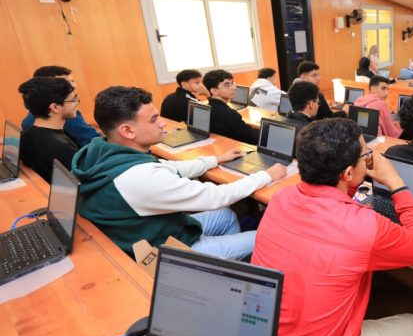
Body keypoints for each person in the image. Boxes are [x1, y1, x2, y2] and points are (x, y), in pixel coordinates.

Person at [252, 118, 413, 336]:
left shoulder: (281, 199)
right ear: (348, 173)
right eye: (364, 154)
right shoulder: (364, 226)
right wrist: (395, 181)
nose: (368, 157)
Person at [71, 86, 286, 259]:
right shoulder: (140, 178)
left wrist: (216, 159)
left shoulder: (102, 149)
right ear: (127, 130)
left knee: (227, 215)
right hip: (165, 251)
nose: (162, 123)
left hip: (154, 232)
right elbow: (216, 196)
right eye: (154, 119)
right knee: (265, 237)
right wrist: (267, 175)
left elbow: (169, 168)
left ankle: (227, 270)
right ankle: (216, 268)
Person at [18, 76, 80, 182]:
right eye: (73, 100)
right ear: (55, 107)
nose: (76, 103)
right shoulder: (62, 148)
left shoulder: (25, 135)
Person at [21, 65, 100, 147]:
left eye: (72, 81)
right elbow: (92, 140)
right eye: (65, 83)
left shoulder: (31, 117)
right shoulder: (65, 112)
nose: (73, 86)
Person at [203, 69, 259, 144]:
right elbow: (250, 137)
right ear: (214, 91)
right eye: (227, 85)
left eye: (232, 83)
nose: (234, 88)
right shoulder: (229, 114)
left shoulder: (207, 108)